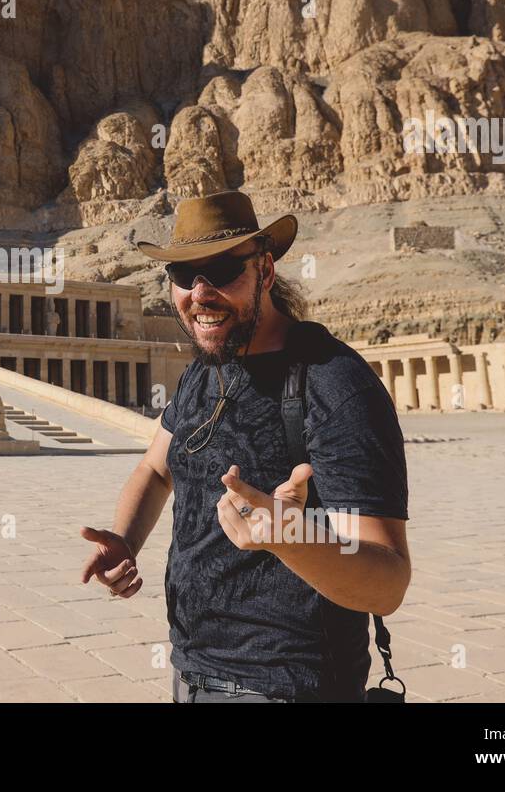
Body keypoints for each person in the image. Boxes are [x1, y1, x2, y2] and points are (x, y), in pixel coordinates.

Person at [79, 190, 410, 703]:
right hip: (190, 675)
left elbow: (388, 583)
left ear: (266, 271)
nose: (201, 292)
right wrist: (124, 539)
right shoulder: (201, 371)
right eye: (185, 276)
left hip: (290, 688)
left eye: (223, 270)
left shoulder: (334, 386)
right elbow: (157, 467)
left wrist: (289, 539)